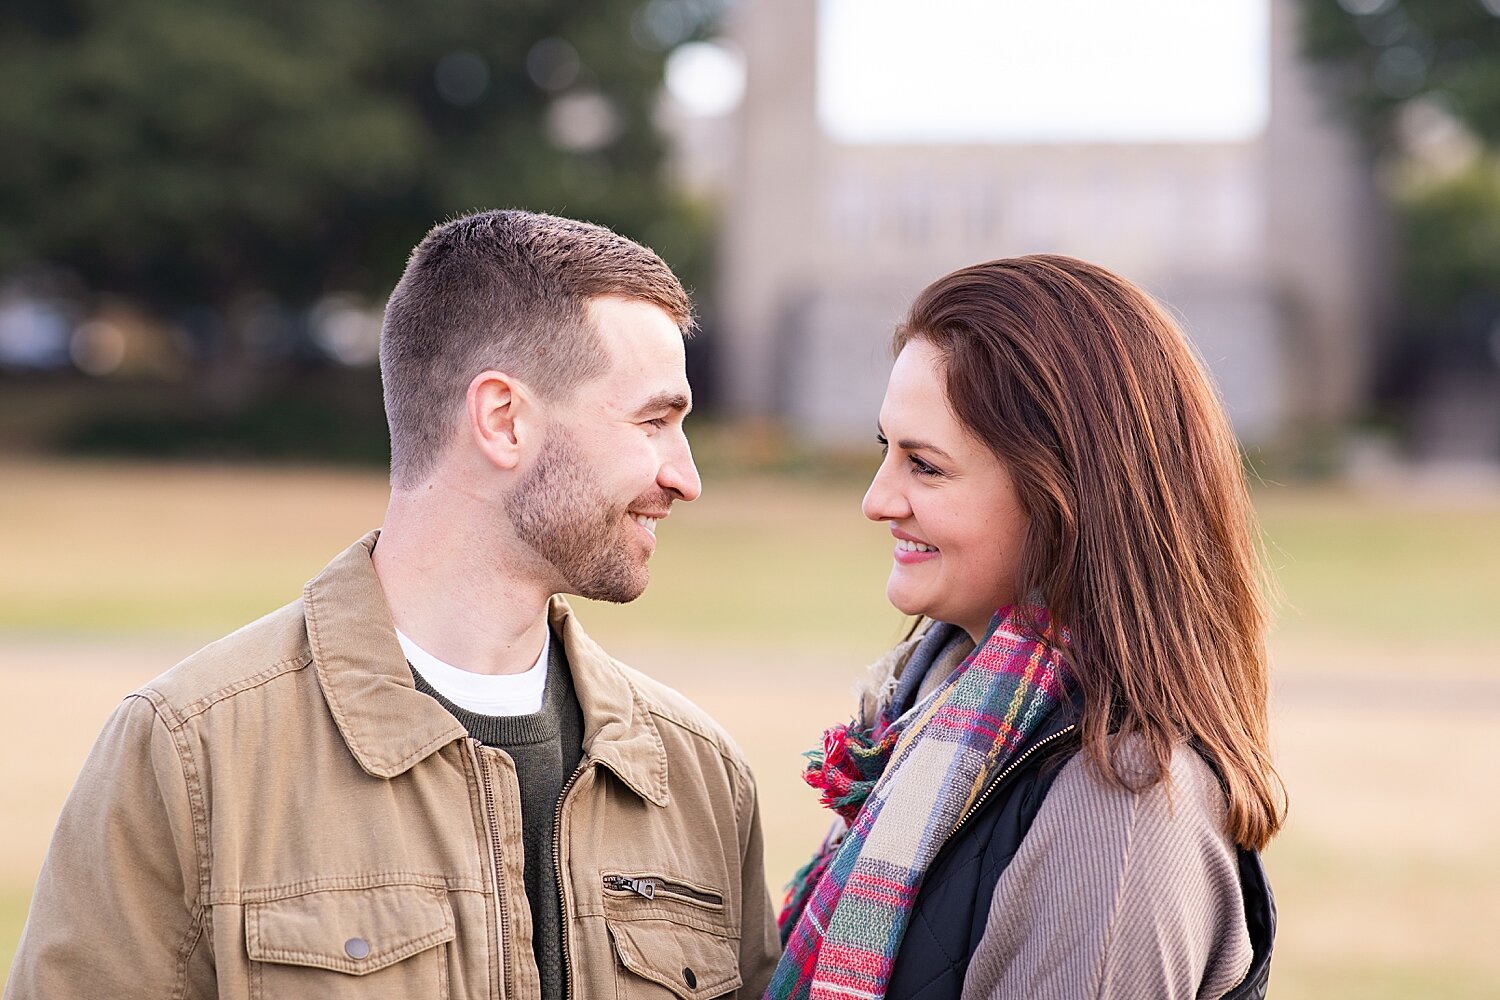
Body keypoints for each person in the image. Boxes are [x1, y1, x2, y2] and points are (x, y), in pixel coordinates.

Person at [5, 210, 780, 1000]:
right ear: (503, 419)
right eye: (655, 421)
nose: (686, 476)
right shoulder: (189, 757)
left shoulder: (704, 779)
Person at [768, 255, 1282, 1000]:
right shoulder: (932, 721)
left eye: (927, 467)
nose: (878, 500)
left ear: (1061, 495)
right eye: (888, 450)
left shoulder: (1120, 809)